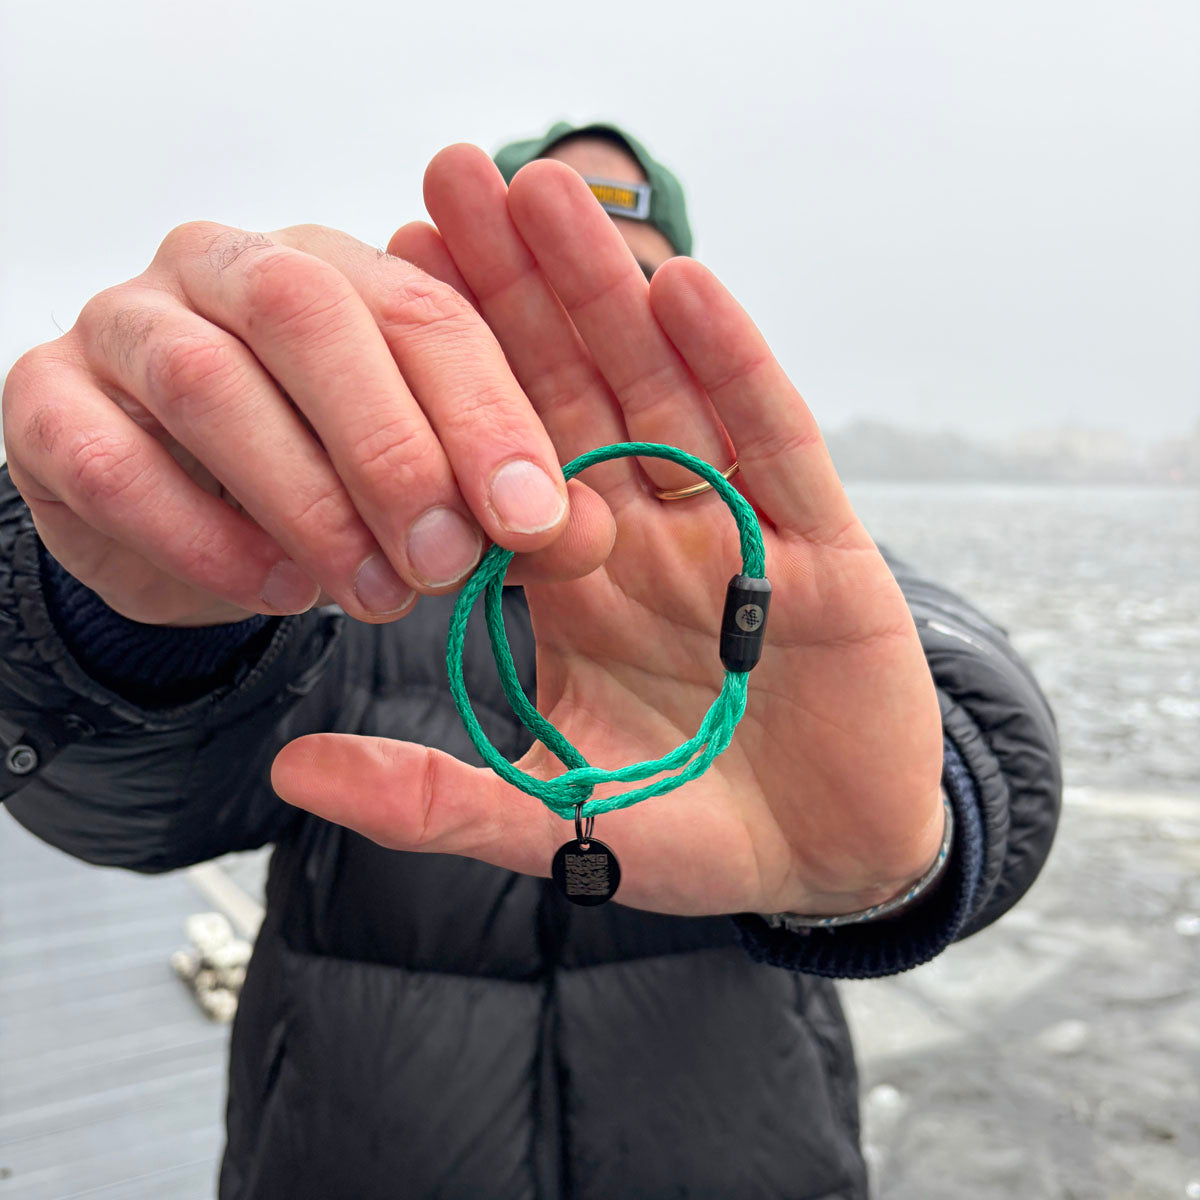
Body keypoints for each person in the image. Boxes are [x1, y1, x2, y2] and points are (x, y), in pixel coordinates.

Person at [0, 121, 1061, 1199]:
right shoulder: (343, 587)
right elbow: (135, 807)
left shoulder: (781, 563)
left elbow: (974, 697)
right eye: (538, 303)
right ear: (458, 326)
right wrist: (132, 600)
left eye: (629, 296)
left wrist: (911, 837)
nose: (585, 345)